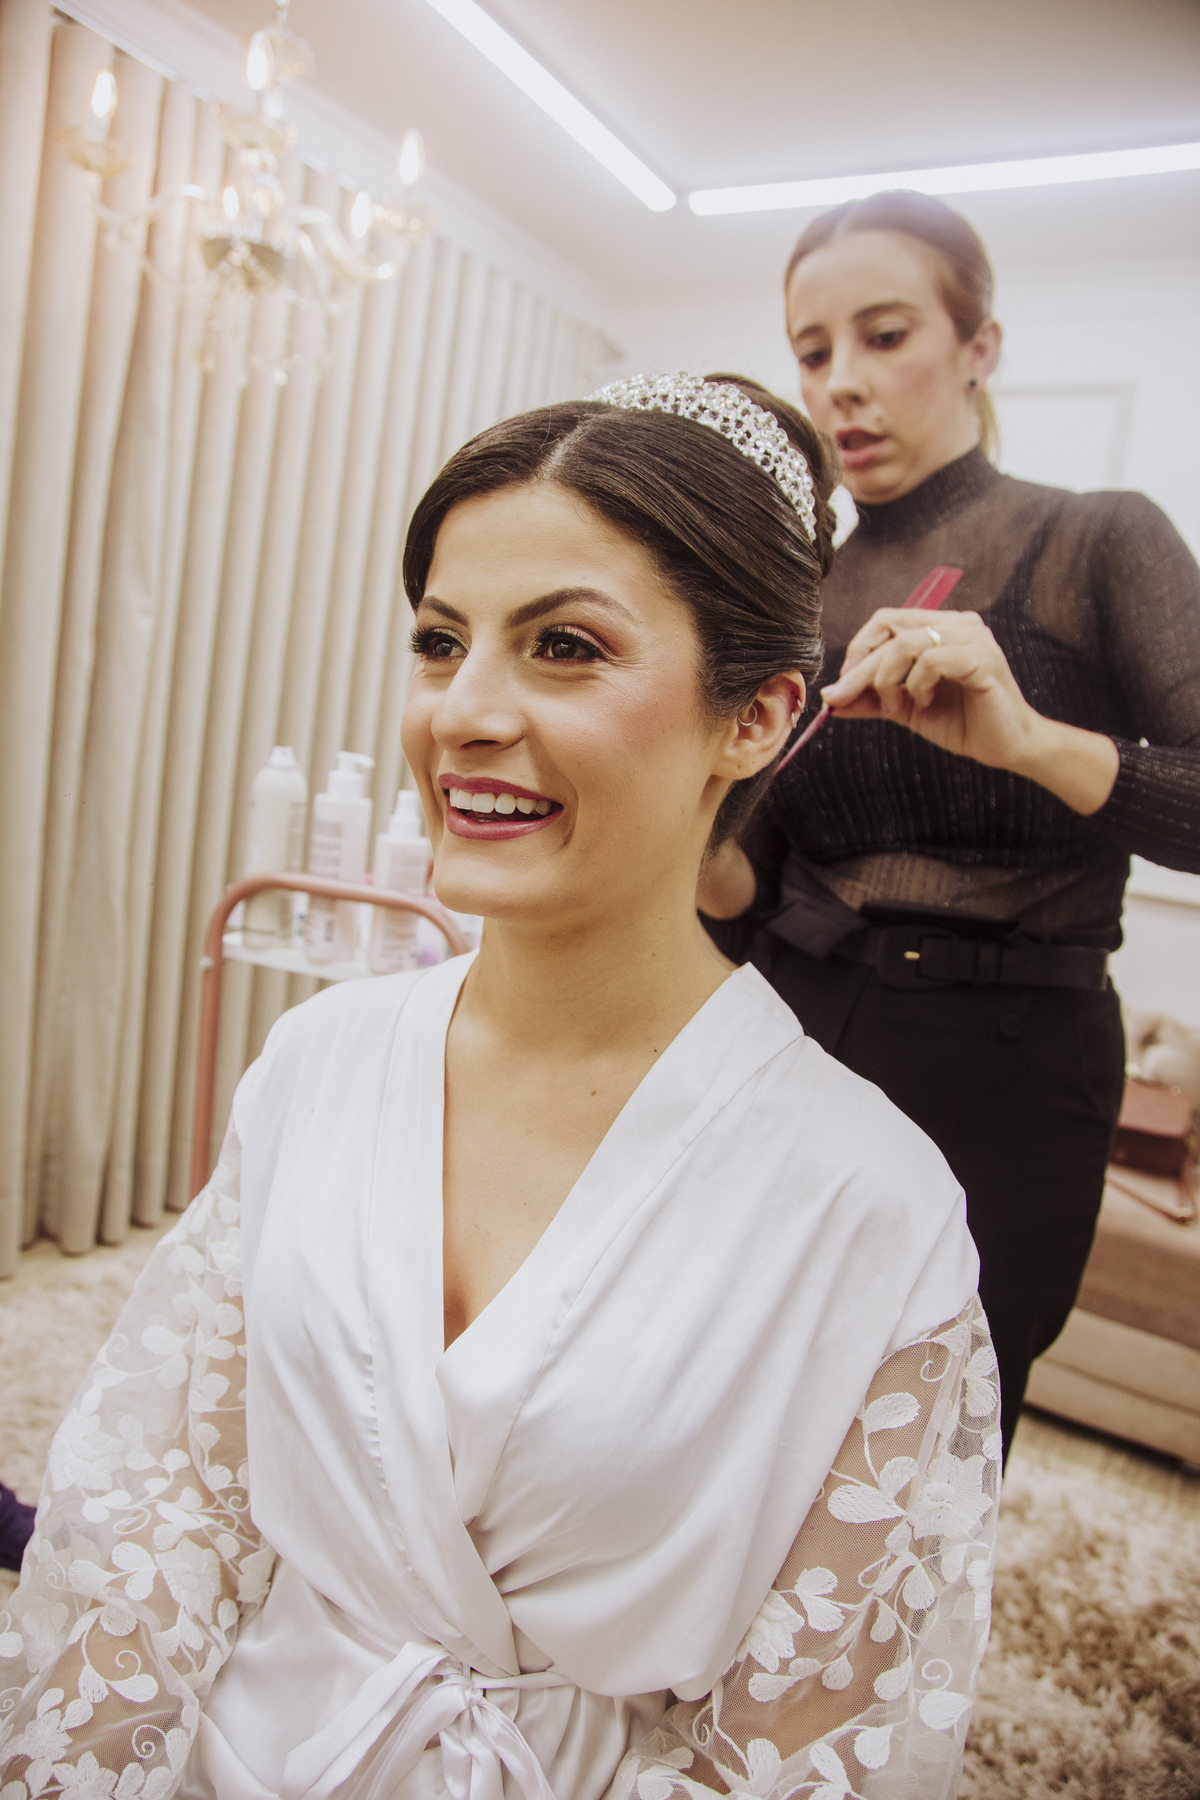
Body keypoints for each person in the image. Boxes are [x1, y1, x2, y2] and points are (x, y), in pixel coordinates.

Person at [0, 375, 999, 1800]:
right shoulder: (319, 1063)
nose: (462, 713)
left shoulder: (873, 1213)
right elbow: (177, 1510)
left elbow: (807, 1740)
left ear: (757, 716)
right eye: (439, 641)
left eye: (565, 647)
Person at [698, 191, 1200, 1461]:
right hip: (789, 1026)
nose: (842, 384)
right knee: (737, 1410)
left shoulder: (1098, 538)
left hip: (1010, 1066)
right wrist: (686, 829)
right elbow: (751, 890)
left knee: (926, 1452)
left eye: (885, 336)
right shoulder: (798, 588)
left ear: (980, 346)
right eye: (813, 351)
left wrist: (1027, 739)